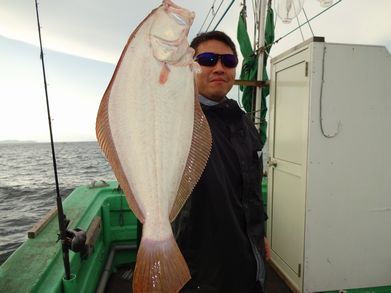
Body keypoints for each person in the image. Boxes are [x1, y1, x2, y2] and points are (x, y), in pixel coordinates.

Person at [173, 31, 270, 293]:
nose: (219, 67)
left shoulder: (243, 121)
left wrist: (259, 235)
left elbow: (250, 190)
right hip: (199, 273)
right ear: (190, 66)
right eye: (207, 59)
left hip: (248, 265)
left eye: (228, 61)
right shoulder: (176, 120)